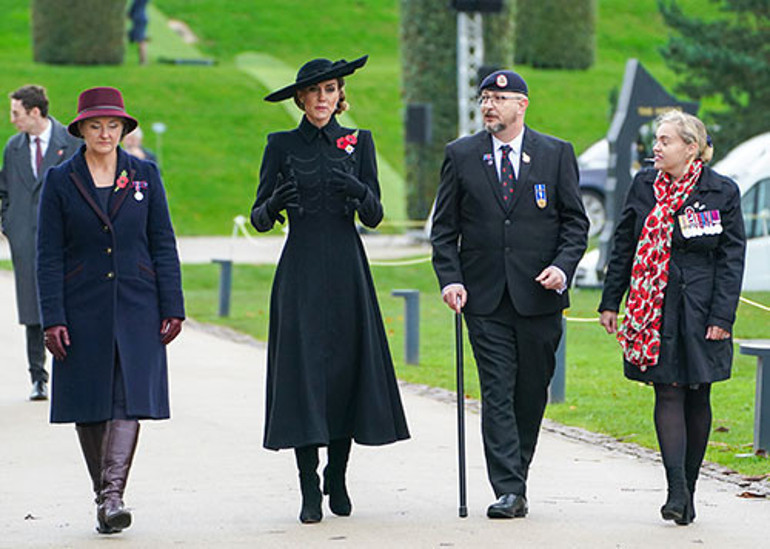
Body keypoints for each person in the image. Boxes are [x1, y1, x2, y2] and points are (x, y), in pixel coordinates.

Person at [251, 55, 410, 524]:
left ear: (341, 96)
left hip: (346, 270)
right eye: (316, 92)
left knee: (343, 373)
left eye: (331, 90)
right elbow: (259, 219)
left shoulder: (357, 142)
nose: (324, 99)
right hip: (299, 271)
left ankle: (337, 475)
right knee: (303, 375)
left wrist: (357, 189)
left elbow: (376, 215)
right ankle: (307, 485)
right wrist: (275, 201)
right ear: (301, 98)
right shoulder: (279, 145)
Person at [431, 70, 589, 519]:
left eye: (499, 98)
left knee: (529, 391)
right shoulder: (460, 155)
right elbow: (444, 230)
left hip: (539, 297)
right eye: (485, 97)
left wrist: (562, 267)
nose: (489, 105)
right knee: (496, 390)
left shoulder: (555, 154)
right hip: (483, 298)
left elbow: (575, 223)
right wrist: (451, 278)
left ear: (522, 104)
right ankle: (508, 488)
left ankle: (517, 474)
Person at [36, 87, 184, 534]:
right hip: (81, 304)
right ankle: (106, 496)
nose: (105, 133)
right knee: (90, 401)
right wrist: (53, 317)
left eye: (113, 125)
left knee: (128, 397)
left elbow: (163, 242)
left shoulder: (145, 174)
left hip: (138, 301)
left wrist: (173, 305)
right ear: (80, 129)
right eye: (96, 125)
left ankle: (112, 496)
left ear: (123, 129)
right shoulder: (61, 180)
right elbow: (49, 254)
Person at [599, 111, 745, 526]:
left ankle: (690, 488)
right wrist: (612, 301)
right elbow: (624, 241)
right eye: (656, 140)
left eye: (665, 141)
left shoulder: (721, 191)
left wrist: (723, 315)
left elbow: (732, 259)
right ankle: (675, 488)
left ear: (690, 147)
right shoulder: (644, 186)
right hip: (653, 306)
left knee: (698, 393)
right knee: (667, 390)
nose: (656, 148)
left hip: (702, 307)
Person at [0, 84, 80, 401]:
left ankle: (71, 373)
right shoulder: (13, 147)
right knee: (32, 310)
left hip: (67, 241)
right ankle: (38, 377)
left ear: (35, 112)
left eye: (16, 113)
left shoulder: (71, 142)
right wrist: (9, 224)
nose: (12, 119)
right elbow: (4, 191)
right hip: (26, 241)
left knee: (68, 306)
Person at [128, 0, 150, 65]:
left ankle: (143, 61)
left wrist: (129, 14)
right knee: (140, 39)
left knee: (141, 40)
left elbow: (134, 7)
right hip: (140, 18)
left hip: (138, 19)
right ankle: (143, 61)